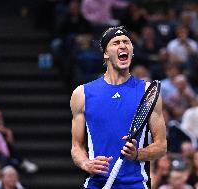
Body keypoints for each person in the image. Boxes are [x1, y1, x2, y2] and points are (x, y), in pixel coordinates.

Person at [70, 26, 167, 189]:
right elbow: (76, 146)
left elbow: (161, 146)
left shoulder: (147, 92)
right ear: (106, 54)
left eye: (126, 42)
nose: (122, 46)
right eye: (116, 43)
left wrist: (137, 154)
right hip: (96, 184)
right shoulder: (82, 94)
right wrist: (86, 163)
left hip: (135, 184)